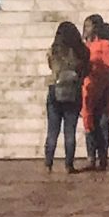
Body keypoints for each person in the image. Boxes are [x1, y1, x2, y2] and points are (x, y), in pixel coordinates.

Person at [79, 13, 109, 172]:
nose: (86, 30)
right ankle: (91, 157)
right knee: (89, 122)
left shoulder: (107, 46)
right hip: (88, 89)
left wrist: (107, 70)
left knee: (103, 123)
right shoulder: (83, 47)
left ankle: (102, 157)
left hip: (106, 89)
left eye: (88, 26)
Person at [43, 20, 87, 173]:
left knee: (52, 130)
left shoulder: (54, 50)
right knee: (70, 131)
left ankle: (48, 162)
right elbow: (85, 70)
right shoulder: (81, 51)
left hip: (55, 90)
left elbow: (51, 66)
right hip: (73, 92)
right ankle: (69, 165)